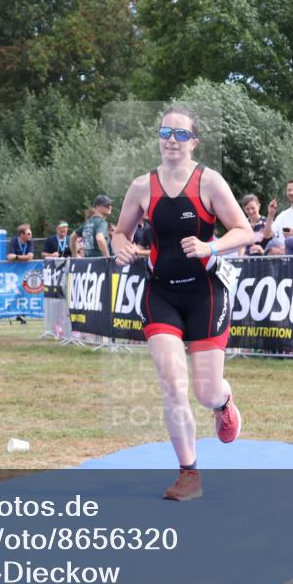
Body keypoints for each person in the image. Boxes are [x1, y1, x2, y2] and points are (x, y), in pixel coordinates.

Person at [111, 105, 254, 502]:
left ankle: (223, 403)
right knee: (172, 383)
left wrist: (211, 245)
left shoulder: (209, 182)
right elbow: (120, 232)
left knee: (205, 391)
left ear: (194, 141)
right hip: (162, 294)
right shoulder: (142, 186)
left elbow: (244, 230)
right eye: (165, 133)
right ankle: (189, 474)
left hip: (206, 292)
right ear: (158, 137)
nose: (171, 141)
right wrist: (122, 248)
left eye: (180, 134)